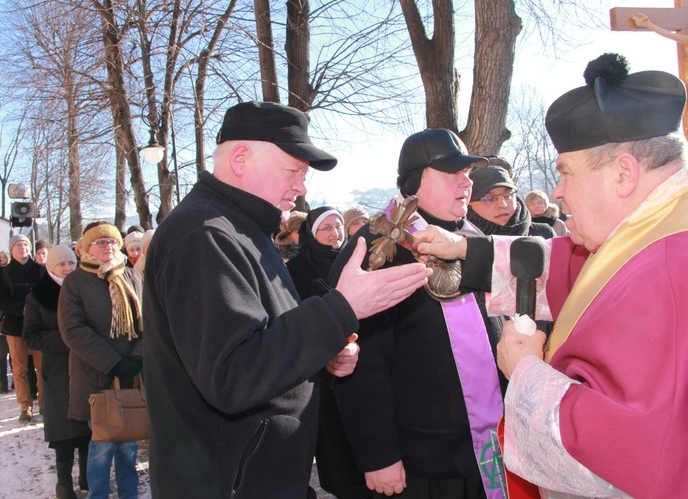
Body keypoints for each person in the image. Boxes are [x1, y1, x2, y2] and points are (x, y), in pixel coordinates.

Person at [412, 53, 688, 498]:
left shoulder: (673, 269)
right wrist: (466, 248)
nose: (556, 191)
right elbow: (571, 266)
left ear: (623, 173)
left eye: (565, 172)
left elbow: (629, 457)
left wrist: (525, 371)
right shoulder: (655, 227)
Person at [142, 101, 431, 499]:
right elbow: (232, 375)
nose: (302, 187)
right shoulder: (204, 234)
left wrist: (323, 354)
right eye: (293, 170)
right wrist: (341, 310)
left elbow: (262, 342)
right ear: (241, 158)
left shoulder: (241, 230)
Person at [330, 128, 506, 499]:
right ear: (413, 183)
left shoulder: (472, 237)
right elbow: (361, 363)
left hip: (492, 450)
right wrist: (378, 455)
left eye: (469, 173)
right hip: (420, 466)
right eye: (452, 172)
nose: (467, 182)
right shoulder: (377, 250)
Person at [286, 206, 369, 499]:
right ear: (311, 233)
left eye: (337, 226)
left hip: (364, 361)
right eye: (326, 228)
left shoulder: (354, 260)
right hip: (324, 370)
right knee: (339, 447)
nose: (334, 233)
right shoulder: (297, 269)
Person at [58, 222, 143, 499]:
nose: (108, 248)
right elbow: (73, 330)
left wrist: (137, 359)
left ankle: (130, 494)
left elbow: (148, 321)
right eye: (101, 243)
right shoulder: (75, 282)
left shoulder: (130, 275)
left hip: (130, 373)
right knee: (103, 445)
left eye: (112, 242)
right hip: (95, 374)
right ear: (86, 248)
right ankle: (99, 495)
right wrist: (113, 362)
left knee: (129, 443)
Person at [23, 245, 90, 499]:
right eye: (62, 264)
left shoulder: (84, 288)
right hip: (57, 369)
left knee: (88, 424)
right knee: (63, 429)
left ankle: (86, 476)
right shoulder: (38, 296)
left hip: (86, 365)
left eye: (71, 264)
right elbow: (31, 336)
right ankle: (63, 483)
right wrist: (71, 339)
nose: (67, 269)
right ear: (51, 266)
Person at [0, 234, 45, 421]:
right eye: (18, 245)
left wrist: (35, 311)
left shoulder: (40, 270)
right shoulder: (1, 273)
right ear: (11, 249)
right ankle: (25, 406)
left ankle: (45, 404)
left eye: (25, 244)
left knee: (42, 367)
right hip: (15, 325)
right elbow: (0, 301)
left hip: (39, 325)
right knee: (19, 368)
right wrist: (22, 310)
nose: (22, 248)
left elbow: (47, 296)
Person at [468, 166, 554, 239]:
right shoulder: (460, 241)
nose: (502, 204)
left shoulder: (544, 234)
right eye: (488, 198)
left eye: (508, 195)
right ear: (469, 203)